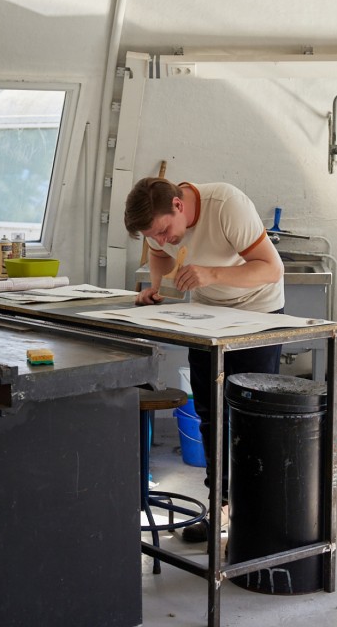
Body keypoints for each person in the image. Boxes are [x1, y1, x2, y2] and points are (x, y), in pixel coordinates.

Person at [124, 177, 284, 543]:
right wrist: (157, 287)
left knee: (252, 420)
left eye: (164, 231)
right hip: (208, 316)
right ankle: (220, 509)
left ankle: (256, 519)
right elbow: (158, 255)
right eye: (154, 235)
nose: (161, 239)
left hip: (257, 314)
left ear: (178, 206)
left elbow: (271, 268)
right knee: (211, 416)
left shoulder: (226, 204)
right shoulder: (157, 223)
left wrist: (210, 274)